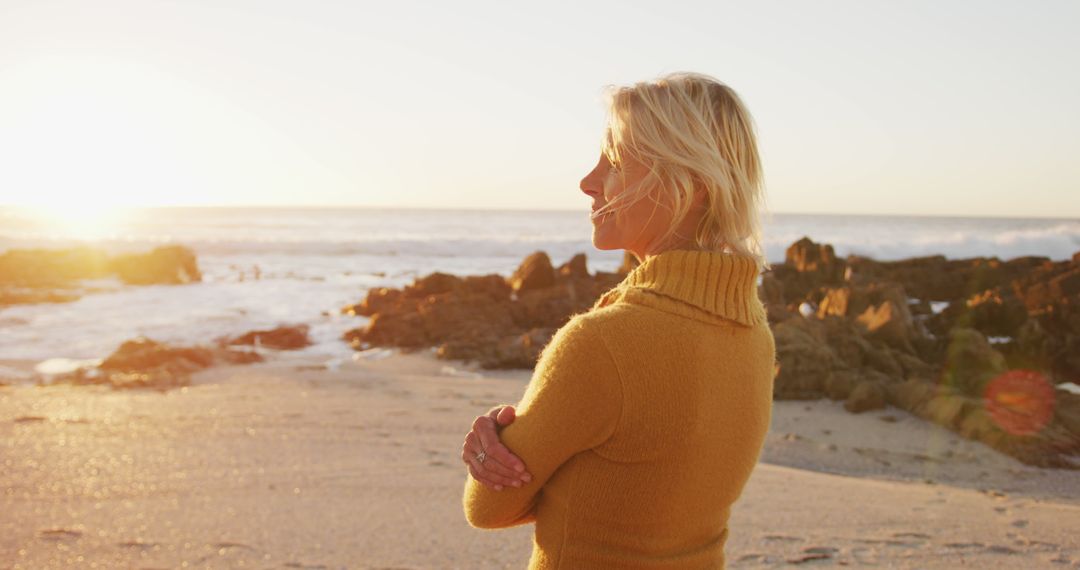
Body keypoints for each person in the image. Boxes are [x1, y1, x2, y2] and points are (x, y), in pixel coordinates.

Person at [460, 71, 776, 569]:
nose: (588, 183)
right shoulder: (753, 333)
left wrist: (493, 449)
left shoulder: (603, 343)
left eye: (613, 162)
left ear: (688, 184)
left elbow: (488, 509)